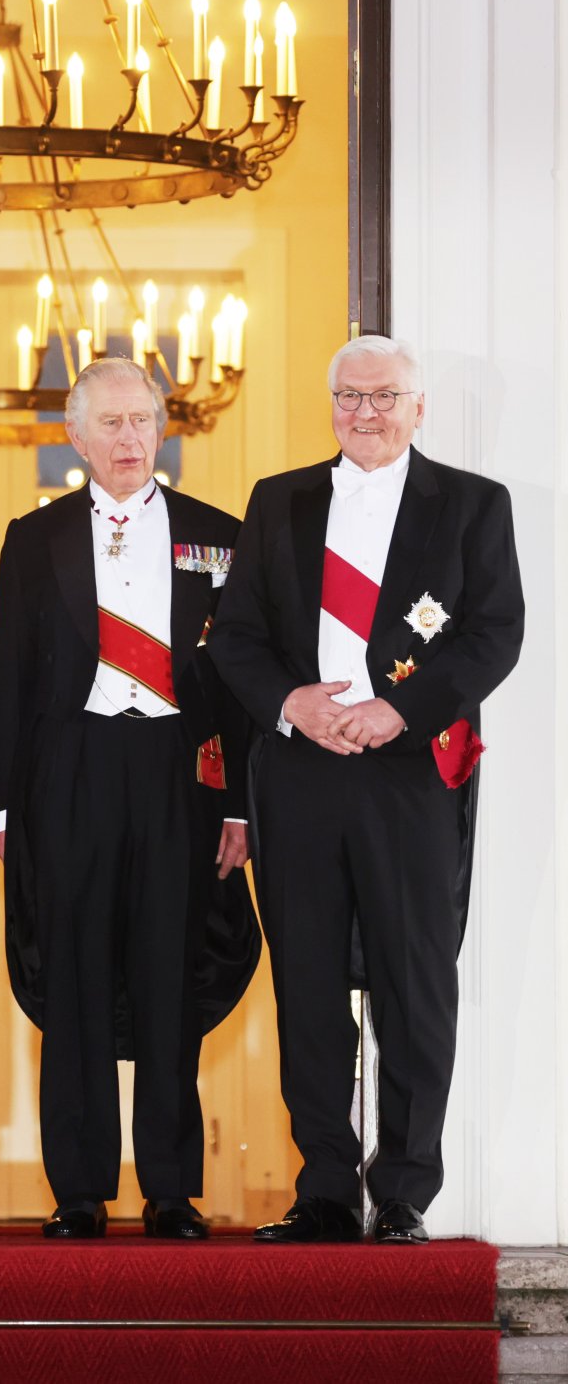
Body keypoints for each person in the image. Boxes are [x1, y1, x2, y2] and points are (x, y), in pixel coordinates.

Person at [208, 334, 523, 1244]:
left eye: (385, 397)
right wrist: (289, 703)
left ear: (419, 407)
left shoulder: (470, 505)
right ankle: (325, 1193)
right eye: (349, 396)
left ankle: (403, 1196)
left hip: (408, 778)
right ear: (331, 405)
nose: (366, 413)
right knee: (306, 986)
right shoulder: (279, 501)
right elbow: (235, 639)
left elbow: (493, 632)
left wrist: (401, 710)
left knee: (413, 984)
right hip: (300, 777)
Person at [0, 357, 260, 1240]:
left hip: (181, 776)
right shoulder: (34, 539)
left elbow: (240, 684)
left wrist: (238, 806)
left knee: (167, 977)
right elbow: (8, 680)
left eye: (141, 420)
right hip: (70, 772)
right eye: (109, 424)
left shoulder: (218, 535)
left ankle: (172, 1191)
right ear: (75, 436)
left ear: (162, 428)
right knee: (73, 982)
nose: (128, 438)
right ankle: (78, 1193)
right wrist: (2, 808)